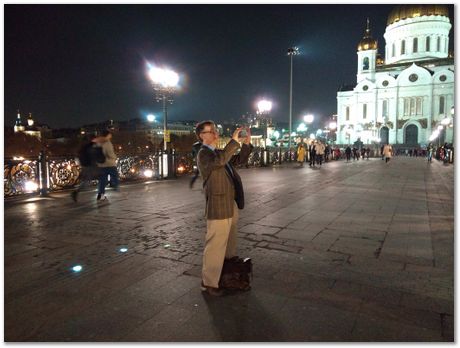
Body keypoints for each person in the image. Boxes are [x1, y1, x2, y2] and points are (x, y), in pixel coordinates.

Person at [195, 121, 253, 296]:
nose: (215, 133)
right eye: (210, 131)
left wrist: (246, 144)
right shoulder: (203, 154)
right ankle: (209, 283)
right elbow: (219, 162)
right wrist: (233, 142)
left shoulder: (218, 153)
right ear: (201, 136)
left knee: (229, 243)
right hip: (218, 204)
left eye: (215, 130)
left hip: (230, 203)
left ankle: (227, 273)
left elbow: (238, 160)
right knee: (215, 244)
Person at [71, 134, 103, 202]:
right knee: (98, 178)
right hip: (91, 166)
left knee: (88, 181)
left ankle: (100, 194)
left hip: (86, 166)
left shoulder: (84, 146)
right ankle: (76, 192)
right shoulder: (92, 146)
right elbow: (97, 156)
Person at [97, 129, 119, 201]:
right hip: (109, 163)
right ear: (108, 135)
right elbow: (110, 154)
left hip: (100, 164)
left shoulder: (98, 142)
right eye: (110, 134)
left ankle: (101, 194)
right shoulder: (107, 143)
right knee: (115, 175)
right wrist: (114, 157)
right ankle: (114, 186)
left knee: (102, 180)